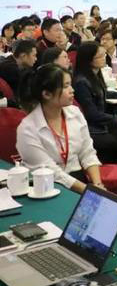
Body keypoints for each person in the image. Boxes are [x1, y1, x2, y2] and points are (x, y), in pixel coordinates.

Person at [16, 64, 104, 193]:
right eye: (66, 86)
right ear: (47, 94)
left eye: (70, 84)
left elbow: (87, 152)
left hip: (78, 180)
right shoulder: (27, 129)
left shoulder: (75, 113)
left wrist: (97, 184)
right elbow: (52, 171)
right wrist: (89, 191)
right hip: (47, 186)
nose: (72, 90)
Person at [72, 42, 117, 164]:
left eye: (104, 55)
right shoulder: (81, 82)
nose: (104, 58)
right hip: (92, 128)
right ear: (89, 59)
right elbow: (91, 114)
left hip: (101, 124)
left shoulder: (94, 75)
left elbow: (101, 92)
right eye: (100, 56)